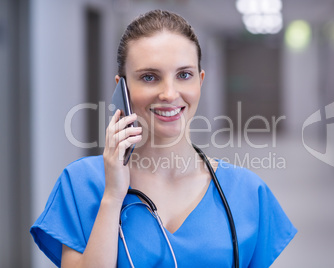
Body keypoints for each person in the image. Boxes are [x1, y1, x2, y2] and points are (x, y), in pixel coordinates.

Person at [30, 9, 297, 268]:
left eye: (184, 75)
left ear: (200, 82)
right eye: (149, 77)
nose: (169, 93)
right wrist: (112, 196)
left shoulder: (247, 193)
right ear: (121, 88)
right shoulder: (82, 184)